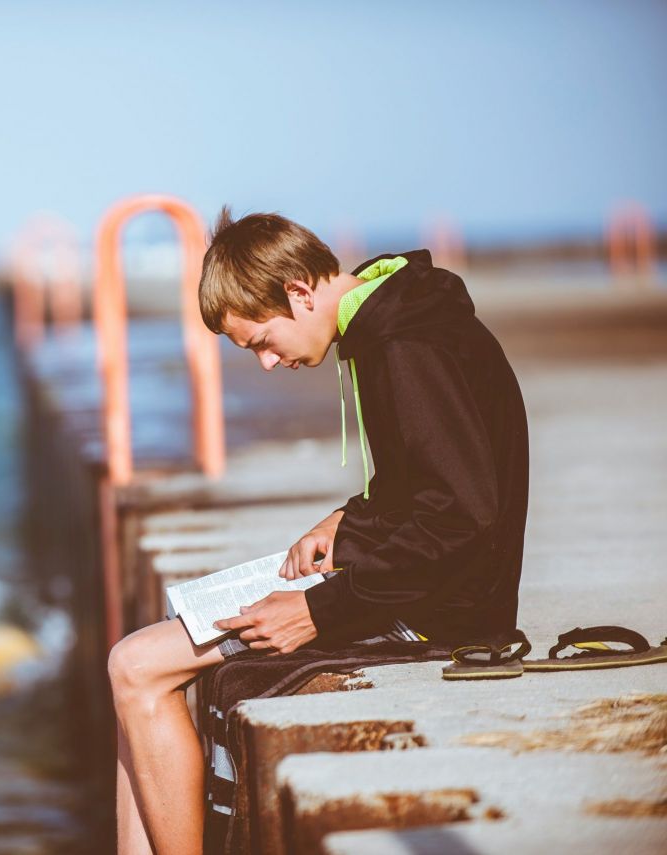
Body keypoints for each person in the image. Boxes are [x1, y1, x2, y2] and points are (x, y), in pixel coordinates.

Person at [107, 208, 529, 855]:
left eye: (261, 341)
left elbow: (463, 516)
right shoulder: (393, 323)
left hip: (444, 613)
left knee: (136, 668)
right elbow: (430, 481)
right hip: (419, 588)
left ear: (300, 291)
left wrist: (316, 608)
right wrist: (348, 519)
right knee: (135, 670)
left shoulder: (405, 345)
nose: (269, 364)